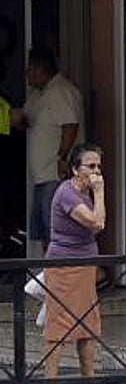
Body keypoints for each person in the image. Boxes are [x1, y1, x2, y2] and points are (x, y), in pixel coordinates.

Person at [39, 143, 118, 384]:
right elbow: (97, 223)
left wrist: (96, 192)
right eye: (90, 166)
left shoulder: (84, 193)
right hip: (64, 266)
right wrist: (101, 191)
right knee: (59, 324)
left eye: (98, 166)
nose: (96, 171)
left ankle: (89, 381)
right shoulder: (68, 194)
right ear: (75, 169)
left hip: (84, 265)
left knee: (88, 322)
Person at [11, 50, 84, 252]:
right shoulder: (37, 94)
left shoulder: (60, 91)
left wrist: (63, 158)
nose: (26, 75)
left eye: (30, 70)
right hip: (41, 176)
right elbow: (28, 120)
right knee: (44, 231)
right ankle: (49, 278)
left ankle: (62, 278)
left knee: (56, 231)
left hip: (56, 175)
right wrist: (17, 120)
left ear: (41, 69)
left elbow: (70, 125)